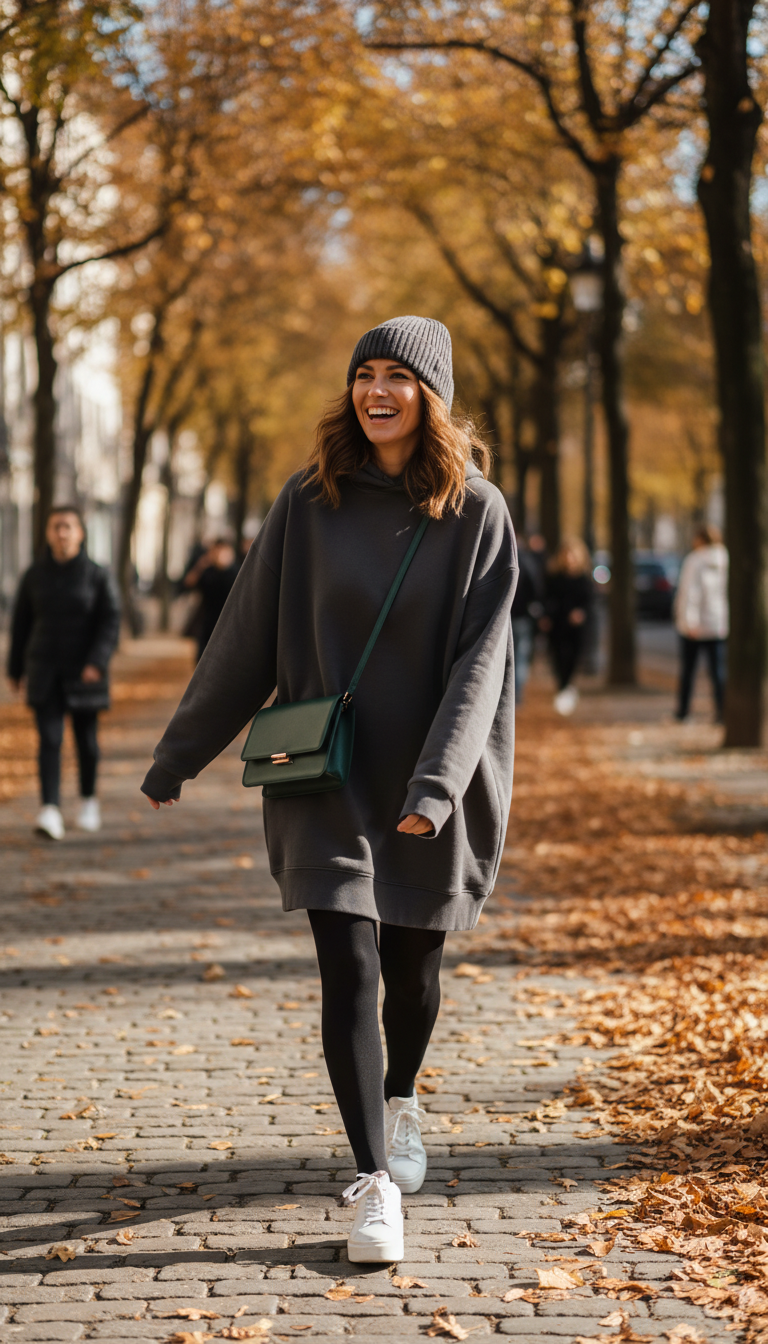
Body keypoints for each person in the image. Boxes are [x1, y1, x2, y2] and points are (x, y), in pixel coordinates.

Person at [141, 315, 518, 1265]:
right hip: (327, 775)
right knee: (347, 963)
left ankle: (402, 1101)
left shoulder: (478, 512)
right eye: (365, 374)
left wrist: (438, 785)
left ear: (430, 395)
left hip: (436, 778)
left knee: (412, 974)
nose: (376, 391)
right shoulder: (308, 505)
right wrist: (179, 754)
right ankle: (374, 1182)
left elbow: (482, 669)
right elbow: (245, 637)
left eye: (398, 376)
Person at [7, 505, 120, 839]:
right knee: (49, 740)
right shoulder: (34, 575)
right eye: (56, 526)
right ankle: (50, 810)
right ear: (47, 533)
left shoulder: (97, 575)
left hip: (85, 672)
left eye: (68, 526)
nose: (62, 533)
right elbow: (21, 624)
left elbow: (110, 620)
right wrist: (15, 669)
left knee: (86, 742)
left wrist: (96, 662)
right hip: (44, 671)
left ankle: (88, 801)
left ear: (80, 533)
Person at [674, 523, 728, 722]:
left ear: (700, 539)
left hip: (695, 627)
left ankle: (683, 711)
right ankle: (722, 712)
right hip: (718, 625)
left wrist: (689, 621)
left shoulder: (695, 560)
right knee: (718, 671)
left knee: (688, 671)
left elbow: (690, 593)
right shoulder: (726, 559)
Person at [541, 537, 593, 716]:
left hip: (577, 629)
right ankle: (563, 689)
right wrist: (546, 616)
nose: (569, 558)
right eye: (566, 554)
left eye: (572, 554)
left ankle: (566, 688)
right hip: (558, 625)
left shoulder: (584, 579)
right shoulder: (554, 577)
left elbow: (589, 603)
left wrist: (581, 613)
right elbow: (547, 599)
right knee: (558, 657)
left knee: (573, 658)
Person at [182, 537, 239, 661]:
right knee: (202, 658)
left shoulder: (235, 572)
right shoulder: (207, 571)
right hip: (208, 622)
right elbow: (188, 583)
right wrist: (201, 565)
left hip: (228, 623)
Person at [510, 535, 544, 705]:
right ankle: (516, 696)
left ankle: (511, 695)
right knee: (520, 658)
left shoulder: (498, 560)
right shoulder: (527, 561)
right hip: (522, 618)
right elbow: (535, 589)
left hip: (507, 619)